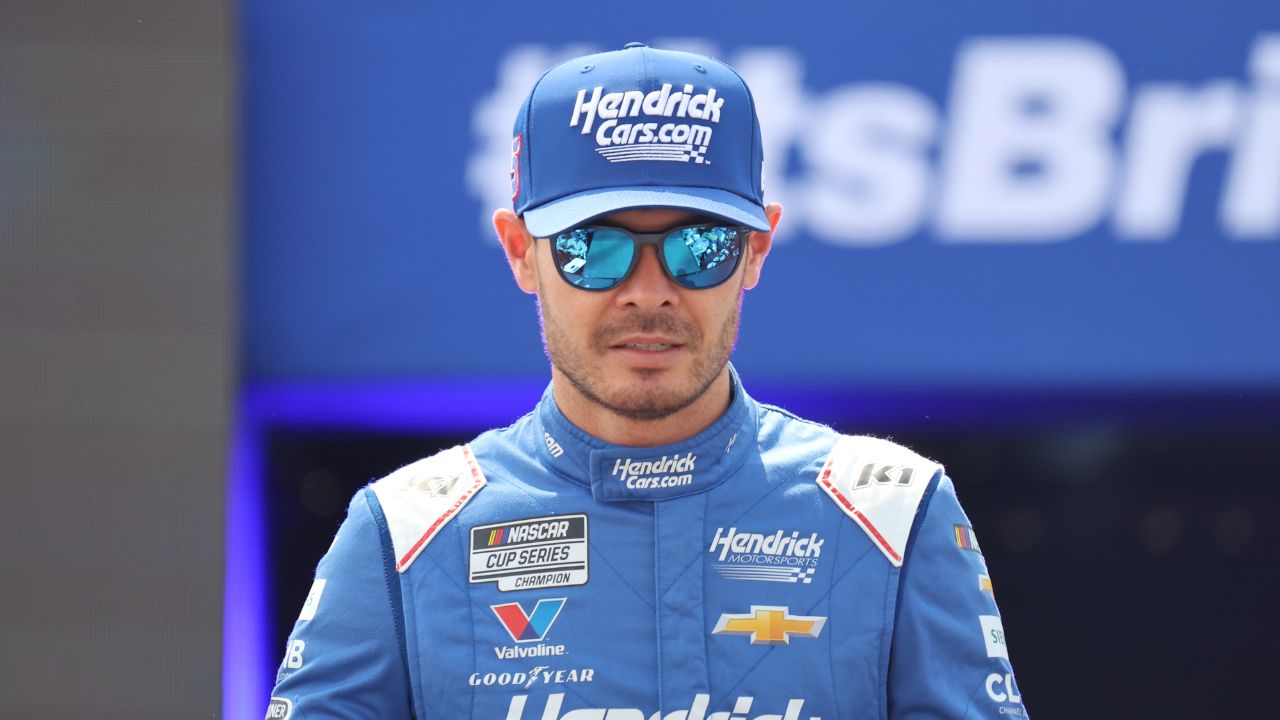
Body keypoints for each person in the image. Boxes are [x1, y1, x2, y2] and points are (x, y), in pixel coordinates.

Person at [267, 43, 1029, 720]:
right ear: (520, 251)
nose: (649, 292)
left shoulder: (893, 514)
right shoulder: (404, 534)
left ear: (757, 249)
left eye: (700, 246)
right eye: (593, 248)